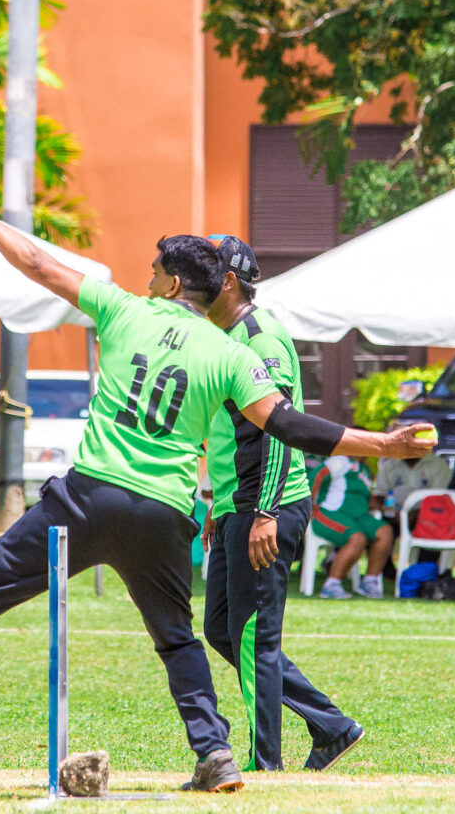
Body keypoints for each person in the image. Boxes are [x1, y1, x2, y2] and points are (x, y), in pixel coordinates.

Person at [0, 178, 432, 794]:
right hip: (164, 513)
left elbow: (39, 265)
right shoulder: (232, 354)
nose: (147, 280)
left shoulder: (124, 308)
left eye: (154, 272)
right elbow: (290, 426)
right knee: (178, 638)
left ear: (175, 284)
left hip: (88, 497)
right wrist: (384, 444)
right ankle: (215, 754)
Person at [198, 234, 364, 773]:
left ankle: (264, 765)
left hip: (266, 506)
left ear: (228, 281)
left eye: (204, 272)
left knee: (254, 638)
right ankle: (331, 726)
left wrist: (264, 512)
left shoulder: (260, 338)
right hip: (237, 504)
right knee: (223, 630)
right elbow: (231, 433)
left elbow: (279, 431)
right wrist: (219, 503)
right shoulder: (223, 335)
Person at [308, 456, 391, 599]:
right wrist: (307, 504)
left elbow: (364, 496)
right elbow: (315, 477)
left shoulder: (365, 470)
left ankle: (369, 582)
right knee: (357, 538)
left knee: (385, 531)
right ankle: (332, 584)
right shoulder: (339, 461)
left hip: (359, 516)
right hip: (330, 513)